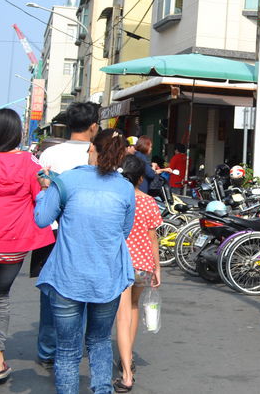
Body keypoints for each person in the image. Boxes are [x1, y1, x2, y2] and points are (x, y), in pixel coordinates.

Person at [35, 128, 135, 394]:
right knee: (100, 341)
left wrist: (45, 190)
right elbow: (123, 232)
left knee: (67, 349)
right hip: (108, 277)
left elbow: (42, 219)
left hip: (68, 276)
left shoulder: (66, 181)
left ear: (92, 148)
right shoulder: (125, 189)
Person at [0, 109, 56, 391]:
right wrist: (46, 184)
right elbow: (42, 199)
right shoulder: (29, 162)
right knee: (1, 298)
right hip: (14, 243)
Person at [34, 101, 101, 368]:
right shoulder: (96, 154)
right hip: (85, 234)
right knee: (83, 292)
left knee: (50, 292)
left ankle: (48, 350)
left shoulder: (49, 154)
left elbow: (41, 189)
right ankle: (73, 348)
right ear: (94, 126)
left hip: (51, 233)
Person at [113, 155, 163, 392]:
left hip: (121, 264)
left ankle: (126, 373)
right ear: (141, 178)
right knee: (133, 306)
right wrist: (157, 267)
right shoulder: (149, 202)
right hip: (143, 264)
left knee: (122, 314)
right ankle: (128, 355)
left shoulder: (116, 200)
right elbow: (153, 238)